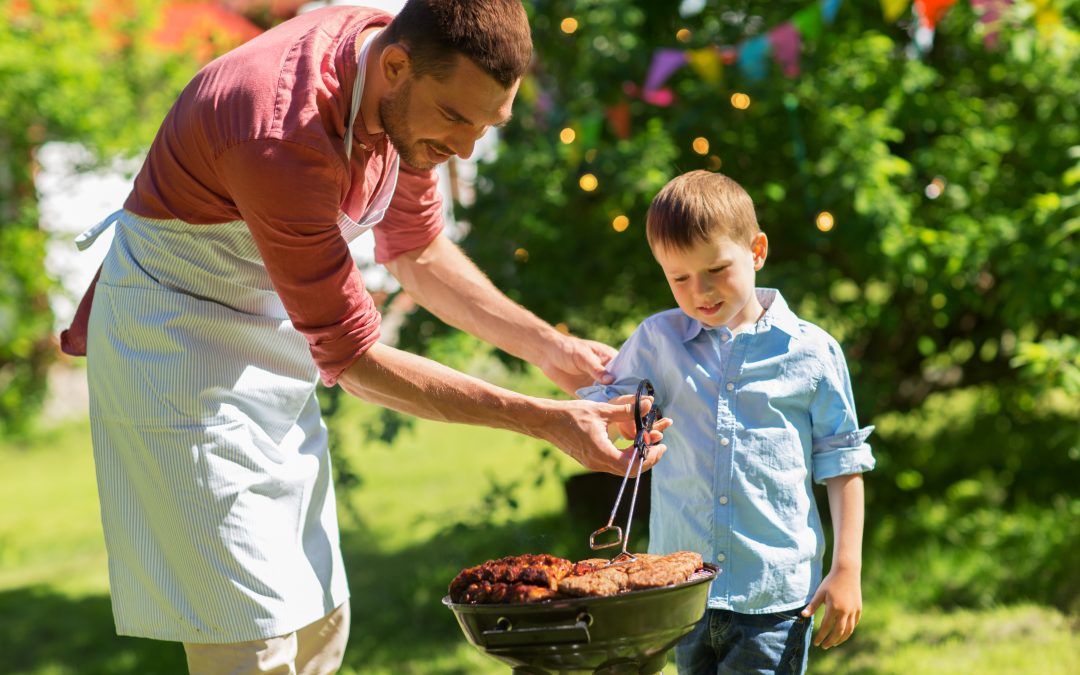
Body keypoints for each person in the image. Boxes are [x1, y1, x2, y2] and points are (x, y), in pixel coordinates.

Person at [58, 1, 669, 673]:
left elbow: (418, 250)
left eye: (487, 123)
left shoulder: (400, 83)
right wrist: (547, 419)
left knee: (321, 618)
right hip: (177, 353)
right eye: (456, 119)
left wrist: (553, 350)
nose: (465, 148)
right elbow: (355, 358)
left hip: (275, 339)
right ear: (396, 67)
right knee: (251, 636)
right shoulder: (280, 134)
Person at [578, 170, 875, 674]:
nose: (700, 291)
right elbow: (602, 409)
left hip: (774, 596)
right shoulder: (656, 341)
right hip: (680, 591)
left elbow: (842, 462)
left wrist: (847, 568)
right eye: (679, 278)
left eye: (716, 269)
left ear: (757, 251)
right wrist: (624, 414)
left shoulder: (812, 353)